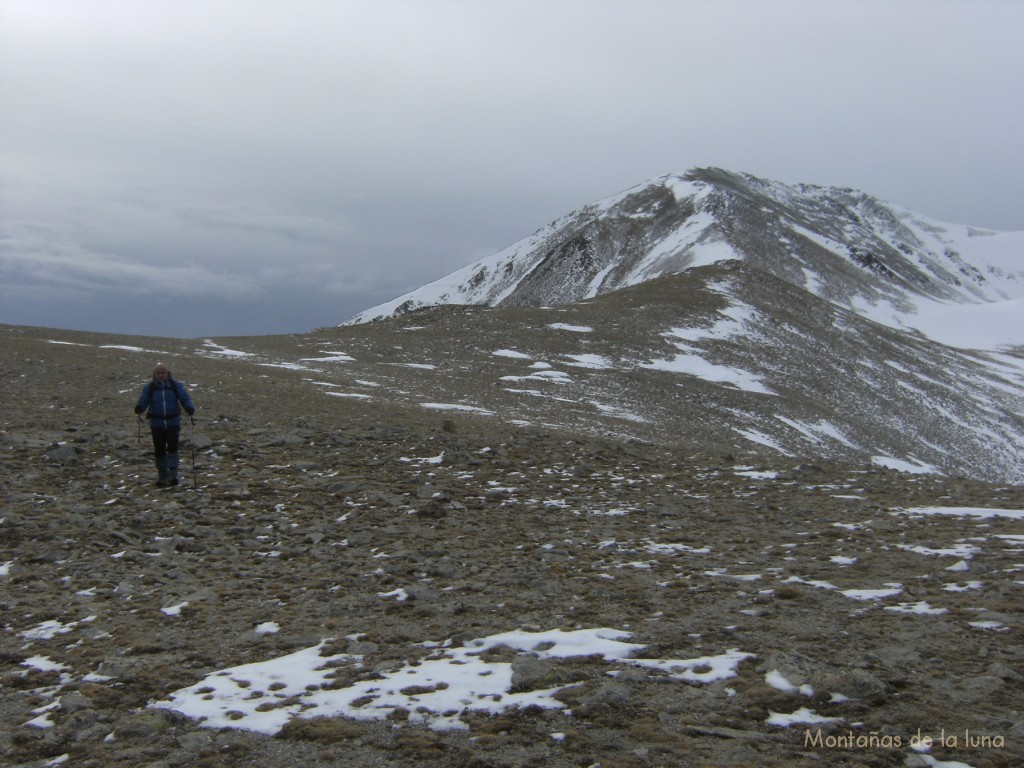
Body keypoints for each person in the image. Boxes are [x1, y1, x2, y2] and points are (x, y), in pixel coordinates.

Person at [134, 363, 195, 487]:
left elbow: (184, 398)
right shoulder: (149, 387)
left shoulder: (175, 385)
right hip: (157, 423)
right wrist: (140, 407)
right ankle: (162, 476)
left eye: (163, 373)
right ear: (155, 374)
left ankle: (172, 476)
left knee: (172, 448)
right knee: (159, 450)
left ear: (167, 373)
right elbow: (144, 400)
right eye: (159, 373)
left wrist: (189, 407)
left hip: (173, 422)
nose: (161, 375)